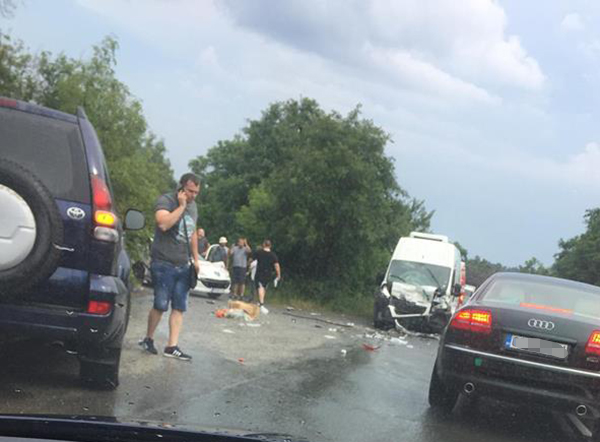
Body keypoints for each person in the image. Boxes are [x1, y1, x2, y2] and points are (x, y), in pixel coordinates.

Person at [139, 173, 201, 361]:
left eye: (196, 192)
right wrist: (181, 206)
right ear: (181, 188)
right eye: (190, 191)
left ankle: (171, 346)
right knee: (160, 304)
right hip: (163, 261)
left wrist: (196, 260)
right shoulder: (166, 201)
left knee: (179, 306)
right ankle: (148, 339)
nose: (193, 196)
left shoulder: (194, 207)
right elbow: (163, 224)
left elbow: (192, 234)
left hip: (183, 264)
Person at [251, 239, 281, 314]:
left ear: (263, 244)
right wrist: (278, 275)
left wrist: (248, 266)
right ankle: (261, 302)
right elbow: (277, 266)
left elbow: (251, 259)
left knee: (260, 287)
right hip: (268, 273)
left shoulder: (259, 252)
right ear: (270, 246)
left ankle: (261, 303)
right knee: (263, 287)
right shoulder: (273, 255)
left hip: (260, 272)